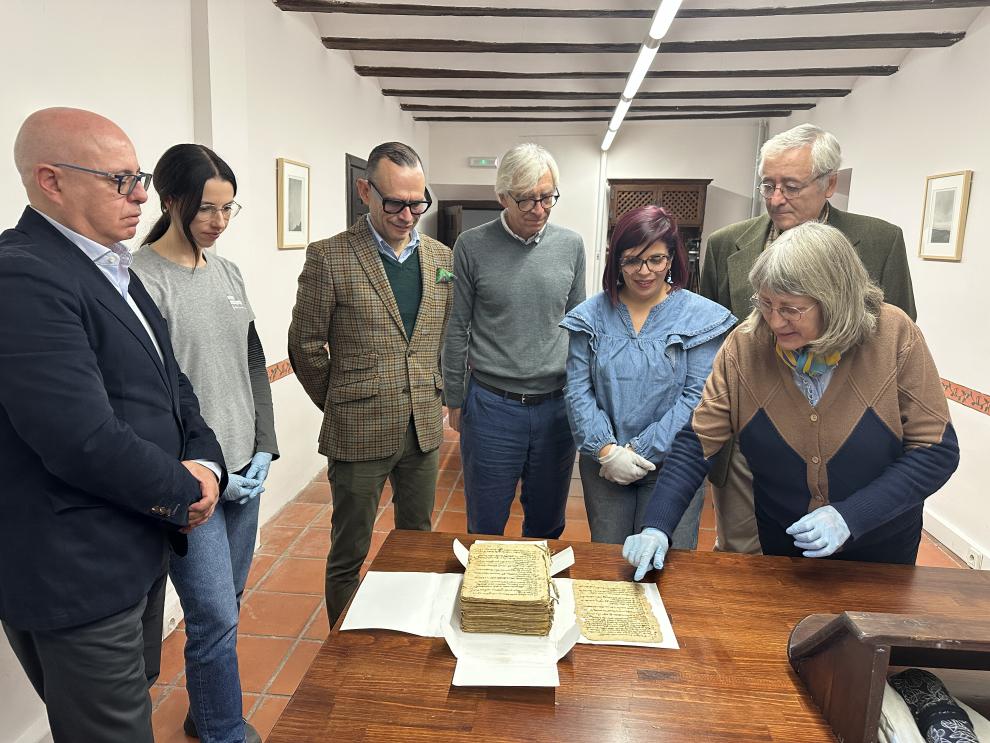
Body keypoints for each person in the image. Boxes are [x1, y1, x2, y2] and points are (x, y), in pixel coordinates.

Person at [0, 108, 225, 743]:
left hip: (133, 543)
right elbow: (79, 436)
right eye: (121, 180)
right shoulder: (22, 274)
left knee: (128, 708)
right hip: (77, 567)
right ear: (52, 181)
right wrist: (187, 493)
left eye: (141, 177)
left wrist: (205, 462)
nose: (143, 195)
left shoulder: (111, 266)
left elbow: (169, 383)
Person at [623, 222, 958, 579]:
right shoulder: (745, 346)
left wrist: (851, 515)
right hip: (785, 553)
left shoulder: (894, 336)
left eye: (791, 308)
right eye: (766, 303)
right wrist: (657, 525)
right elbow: (697, 443)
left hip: (881, 555)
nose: (774, 320)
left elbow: (935, 451)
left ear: (835, 300)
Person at [699, 123, 917, 554]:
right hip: (751, 428)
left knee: (846, 566)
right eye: (768, 184)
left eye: (791, 186)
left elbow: (898, 340)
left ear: (830, 183)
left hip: (848, 434)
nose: (776, 198)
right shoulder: (726, 245)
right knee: (746, 557)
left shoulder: (879, 241)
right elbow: (710, 339)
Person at [132, 144, 278, 743]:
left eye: (228, 208)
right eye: (206, 209)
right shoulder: (140, 280)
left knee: (230, 603)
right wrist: (198, 469)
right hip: (193, 479)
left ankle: (204, 708)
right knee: (213, 612)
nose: (218, 222)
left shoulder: (228, 273)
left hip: (245, 467)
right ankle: (222, 727)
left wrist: (264, 445)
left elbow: (251, 362)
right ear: (171, 202)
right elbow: (145, 396)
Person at [288, 142, 453, 625]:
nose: (407, 215)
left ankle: (408, 629)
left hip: (423, 427)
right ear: (365, 191)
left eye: (418, 203)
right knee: (350, 549)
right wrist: (341, 401)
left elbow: (439, 337)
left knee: (417, 542)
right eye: (395, 203)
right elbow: (305, 345)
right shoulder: (331, 257)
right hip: (358, 429)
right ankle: (344, 646)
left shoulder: (441, 257)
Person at [560, 206, 735, 547]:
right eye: (632, 261)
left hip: (674, 467)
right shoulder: (590, 316)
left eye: (656, 260)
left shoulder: (701, 318)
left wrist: (639, 449)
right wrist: (608, 451)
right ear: (616, 261)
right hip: (605, 467)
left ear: (672, 258)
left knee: (668, 565)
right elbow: (578, 390)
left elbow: (696, 398)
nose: (644, 271)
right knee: (609, 563)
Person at [442, 143, 586, 539]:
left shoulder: (570, 245)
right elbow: (456, 326)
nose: (539, 209)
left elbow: (579, 327)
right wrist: (454, 397)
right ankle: (487, 600)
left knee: (547, 524)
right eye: (526, 200)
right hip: (492, 407)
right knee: (485, 525)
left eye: (547, 197)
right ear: (502, 196)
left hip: (555, 409)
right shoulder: (471, 246)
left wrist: (582, 398)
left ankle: (538, 601)